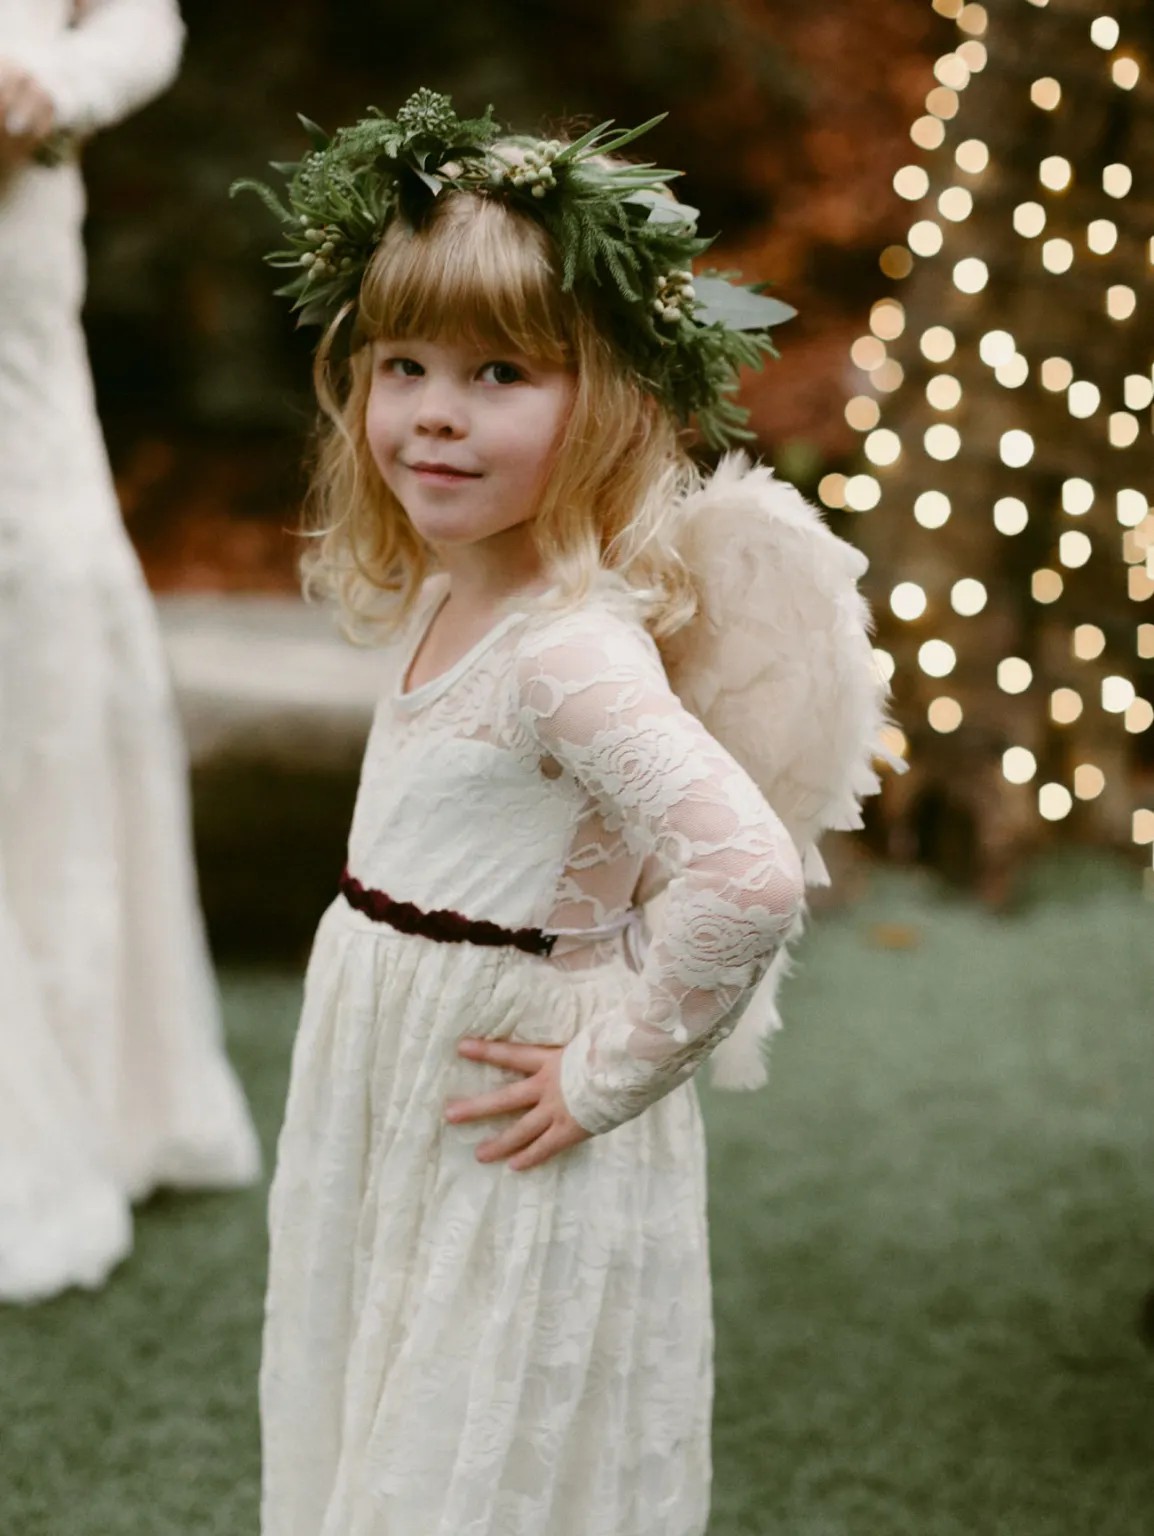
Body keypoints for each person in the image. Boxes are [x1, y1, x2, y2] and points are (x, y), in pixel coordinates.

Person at [241, 89, 887, 1535]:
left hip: (500, 1086)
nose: (436, 414)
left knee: (473, 1436)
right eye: (403, 363)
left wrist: (601, 1073)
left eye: (498, 373)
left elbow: (742, 874)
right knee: (383, 1371)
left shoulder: (567, 648)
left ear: (599, 397)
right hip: (397, 1072)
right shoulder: (448, 588)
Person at [0, 0, 260, 1306]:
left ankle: (89, 1085)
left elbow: (140, 18)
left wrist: (53, 80)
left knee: (41, 623)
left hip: (11, 233)